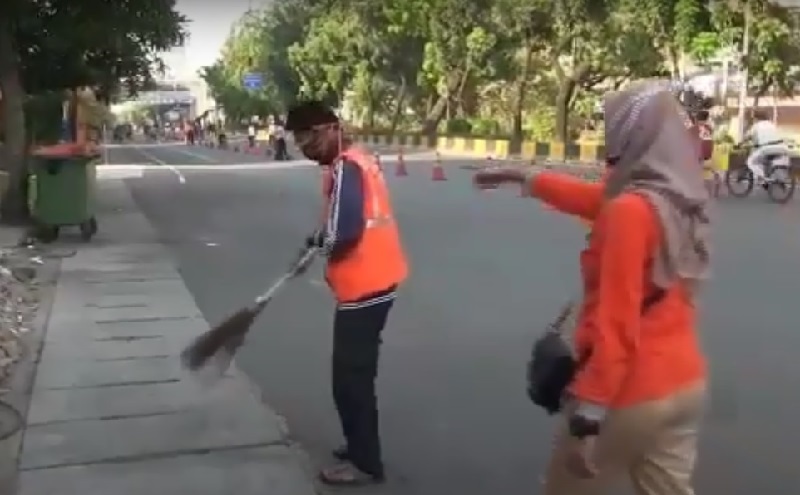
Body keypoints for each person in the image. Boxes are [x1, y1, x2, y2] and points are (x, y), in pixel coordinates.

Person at [474, 81, 710, 495]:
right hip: (685, 385)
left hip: (634, 393)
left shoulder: (629, 213)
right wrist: (523, 177)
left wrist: (588, 417)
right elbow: (600, 198)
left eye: (612, 127)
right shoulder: (678, 196)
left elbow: (616, 326)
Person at [285, 100, 408, 486]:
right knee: (357, 374)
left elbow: (346, 230)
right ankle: (359, 445)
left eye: (310, 136)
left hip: (365, 284)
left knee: (350, 379)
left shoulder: (346, 167)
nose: (306, 146)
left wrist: (320, 248)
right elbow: (340, 221)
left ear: (332, 128)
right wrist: (316, 240)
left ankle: (365, 463)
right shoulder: (358, 158)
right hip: (380, 277)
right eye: (299, 139)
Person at [744, 109, 788, 184]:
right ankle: (770, 177)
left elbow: (748, 136)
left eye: (754, 118)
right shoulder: (771, 124)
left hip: (767, 148)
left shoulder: (756, 125)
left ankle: (764, 178)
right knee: (765, 161)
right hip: (781, 147)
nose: (753, 120)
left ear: (756, 118)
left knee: (750, 162)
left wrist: (741, 143)